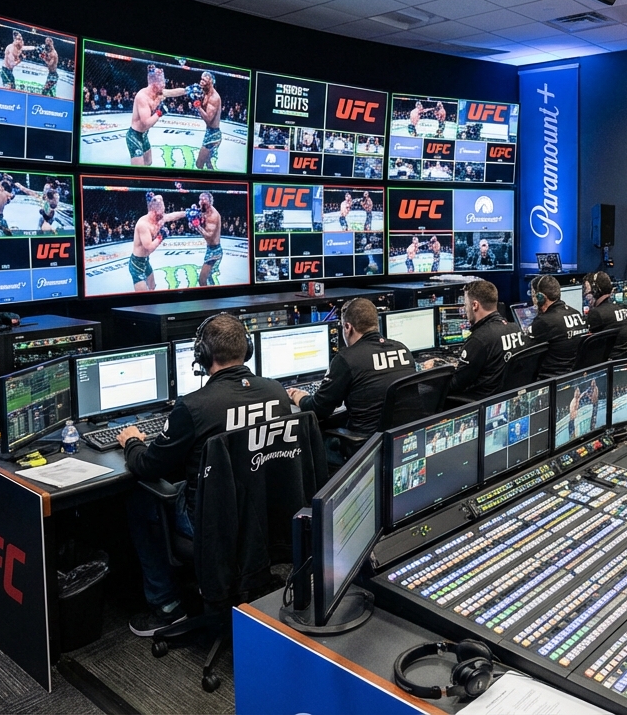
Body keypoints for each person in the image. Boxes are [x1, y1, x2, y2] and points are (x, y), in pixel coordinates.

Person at [117, 314, 295, 636]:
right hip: (262, 514)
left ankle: (167, 605)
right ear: (247, 349)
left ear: (203, 355)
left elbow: (148, 466)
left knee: (139, 498)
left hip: (211, 521)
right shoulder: (277, 391)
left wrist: (131, 442)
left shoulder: (193, 406)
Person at [287, 299, 415, 455]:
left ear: (348, 327)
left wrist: (299, 397)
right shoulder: (402, 349)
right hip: (404, 442)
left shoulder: (347, 358)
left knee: (314, 442)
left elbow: (319, 409)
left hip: (365, 449)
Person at [441, 280, 525, 400]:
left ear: (475, 305)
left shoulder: (479, 339)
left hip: (479, 401)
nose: (465, 309)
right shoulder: (515, 328)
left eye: (465, 304)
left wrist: (437, 373)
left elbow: (456, 384)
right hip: (505, 397)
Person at [128, 65, 194, 166]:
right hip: (135, 136)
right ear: (154, 85)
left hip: (144, 135)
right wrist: (159, 113)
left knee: (148, 162)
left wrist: (188, 90)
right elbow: (146, 123)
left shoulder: (158, 92)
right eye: (162, 83)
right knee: (138, 169)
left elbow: (172, 92)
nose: (164, 85)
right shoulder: (142, 97)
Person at [526, 275, 588, 377]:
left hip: (551, 379)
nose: (533, 300)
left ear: (541, 297)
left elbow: (527, 355)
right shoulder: (577, 313)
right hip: (574, 376)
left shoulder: (544, 321)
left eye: (533, 295)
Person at [130, 192, 187, 291]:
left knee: (152, 287)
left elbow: (172, 216)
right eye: (160, 214)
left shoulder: (159, 217)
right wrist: (161, 236)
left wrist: (187, 213)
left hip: (145, 261)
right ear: (153, 211)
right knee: (143, 297)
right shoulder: (143, 224)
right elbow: (149, 247)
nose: (162, 216)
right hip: (136, 264)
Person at [583, 271, 627, 359]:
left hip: (611, 362)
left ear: (595, 291)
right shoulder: (620, 308)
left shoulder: (596, 313)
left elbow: (591, 348)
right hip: (626, 360)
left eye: (587, 292)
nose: (585, 296)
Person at [191, 191, 224, 286]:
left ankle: (207, 295)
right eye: (200, 199)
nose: (201, 201)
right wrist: (193, 220)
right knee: (209, 278)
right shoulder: (205, 211)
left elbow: (209, 235)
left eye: (204, 199)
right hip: (211, 248)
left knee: (202, 280)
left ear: (210, 201)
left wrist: (197, 226)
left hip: (214, 251)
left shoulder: (213, 215)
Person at [192, 71, 223, 171]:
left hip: (213, 135)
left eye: (204, 80)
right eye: (201, 79)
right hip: (210, 132)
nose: (201, 82)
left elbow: (209, 119)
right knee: (208, 163)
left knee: (199, 164)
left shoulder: (214, 98)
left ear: (210, 82)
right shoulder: (205, 93)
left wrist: (198, 107)